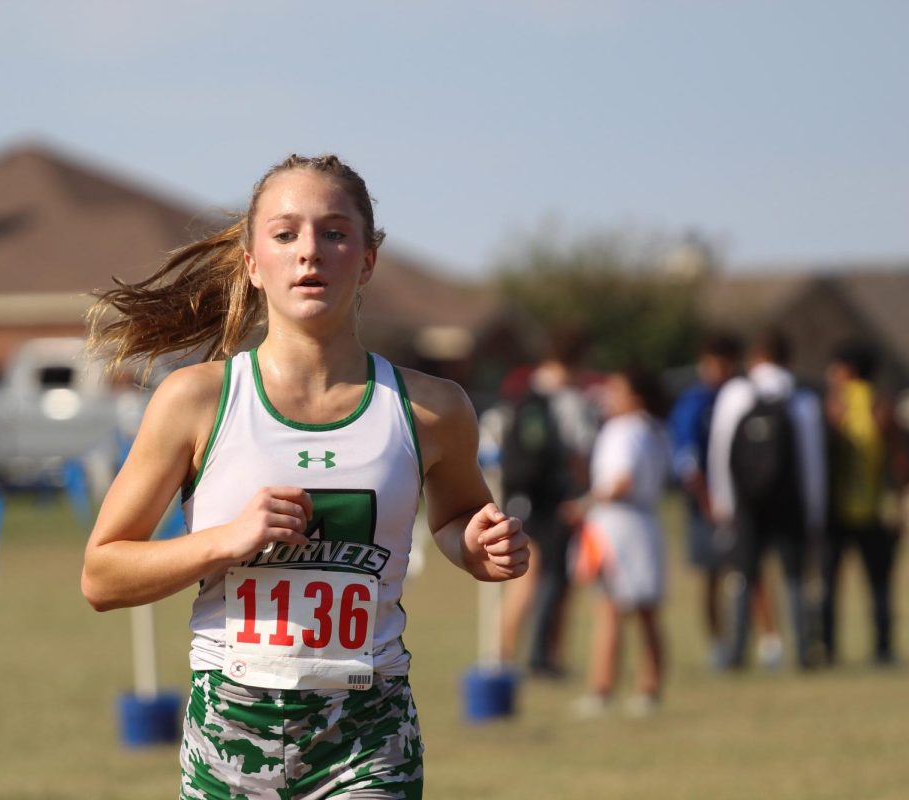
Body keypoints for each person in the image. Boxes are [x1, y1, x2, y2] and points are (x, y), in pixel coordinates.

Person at [80, 154, 530, 799]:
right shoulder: (196, 400)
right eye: (286, 234)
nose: (310, 253)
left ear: (368, 260)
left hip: (369, 738)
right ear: (252, 264)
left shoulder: (433, 408)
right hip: (228, 735)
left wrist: (482, 547)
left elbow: (459, 522)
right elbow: (102, 575)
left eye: (336, 233)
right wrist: (228, 539)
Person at [706, 330, 826, 670]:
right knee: (794, 578)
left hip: (746, 503)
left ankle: (736, 652)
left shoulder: (736, 393)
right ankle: (804, 651)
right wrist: (814, 511)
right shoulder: (802, 399)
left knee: (743, 576)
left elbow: (720, 453)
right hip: (790, 504)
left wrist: (723, 502)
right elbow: (812, 464)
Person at [667, 333, 784, 669]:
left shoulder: (744, 396)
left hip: (743, 502)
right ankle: (718, 643)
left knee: (751, 570)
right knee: (711, 575)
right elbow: (687, 461)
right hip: (706, 507)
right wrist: (709, 504)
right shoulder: (694, 403)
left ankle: (769, 640)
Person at [496, 328, 598, 677]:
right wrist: (586, 494)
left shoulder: (523, 393)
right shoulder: (568, 400)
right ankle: (541, 656)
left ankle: (505, 655)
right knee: (545, 578)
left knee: (524, 577)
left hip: (518, 495)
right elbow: (579, 455)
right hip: (552, 500)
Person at [569, 366, 669, 717]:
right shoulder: (653, 428)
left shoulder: (624, 429)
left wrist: (583, 505)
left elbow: (620, 480)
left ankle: (602, 688)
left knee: (611, 607)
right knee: (646, 610)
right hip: (644, 523)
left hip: (619, 525)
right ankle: (649, 688)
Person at [821, 341, 905, 665]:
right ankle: (883, 649)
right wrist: (896, 504)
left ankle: (827, 649)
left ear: (847, 370)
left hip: (836, 511)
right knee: (880, 585)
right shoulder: (882, 406)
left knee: (829, 584)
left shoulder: (834, 405)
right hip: (875, 510)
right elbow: (899, 463)